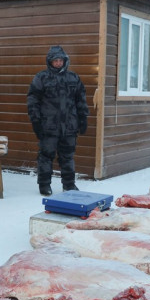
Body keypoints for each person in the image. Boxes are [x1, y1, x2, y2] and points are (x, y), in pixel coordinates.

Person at [27, 45, 89, 196]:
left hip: (69, 126)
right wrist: (36, 122)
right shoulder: (41, 78)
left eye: (60, 60)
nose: (58, 63)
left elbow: (81, 100)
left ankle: (69, 185)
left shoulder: (73, 78)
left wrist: (83, 119)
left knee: (67, 156)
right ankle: (44, 185)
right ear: (50, 62)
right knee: (46, 156)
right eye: (55, 60)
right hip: (48, 126)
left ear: (65, 61)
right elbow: (33, 100)